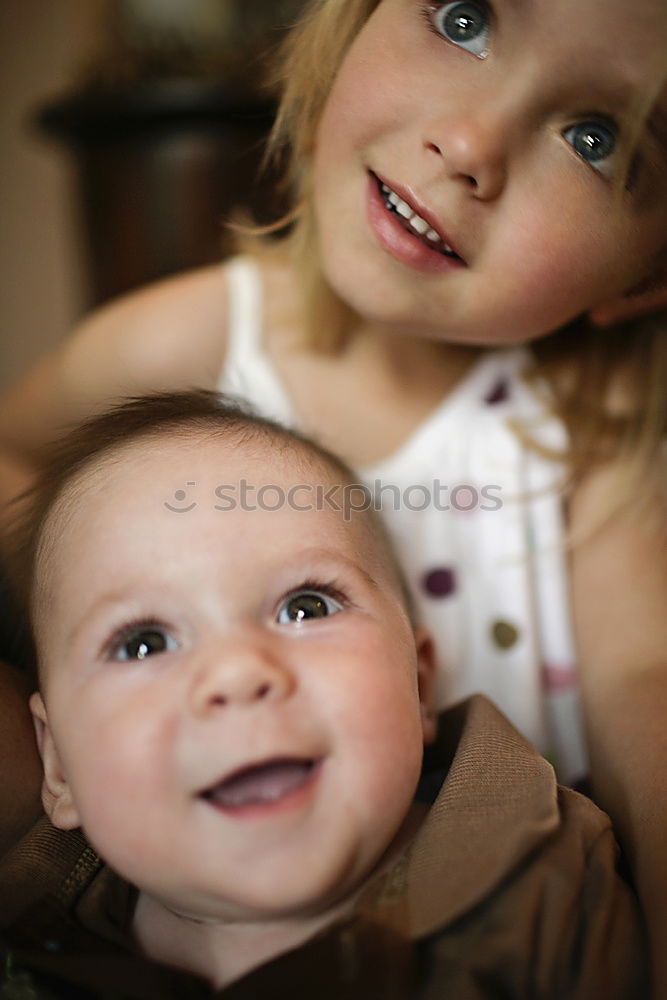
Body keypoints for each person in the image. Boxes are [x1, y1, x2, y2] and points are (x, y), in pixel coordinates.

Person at [0, 0, 666, 983]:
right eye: (464, 17)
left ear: (648, 275)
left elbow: (640, 686)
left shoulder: (589, 421)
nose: (469, 144)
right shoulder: (176, 343)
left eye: (594, 138)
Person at [0, 391, 649, 998]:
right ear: (58, 765)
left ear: (418, 683)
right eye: (142, 643)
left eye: (305, 607)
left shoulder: (543, 884)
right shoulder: (29, 931)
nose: (236, 673)